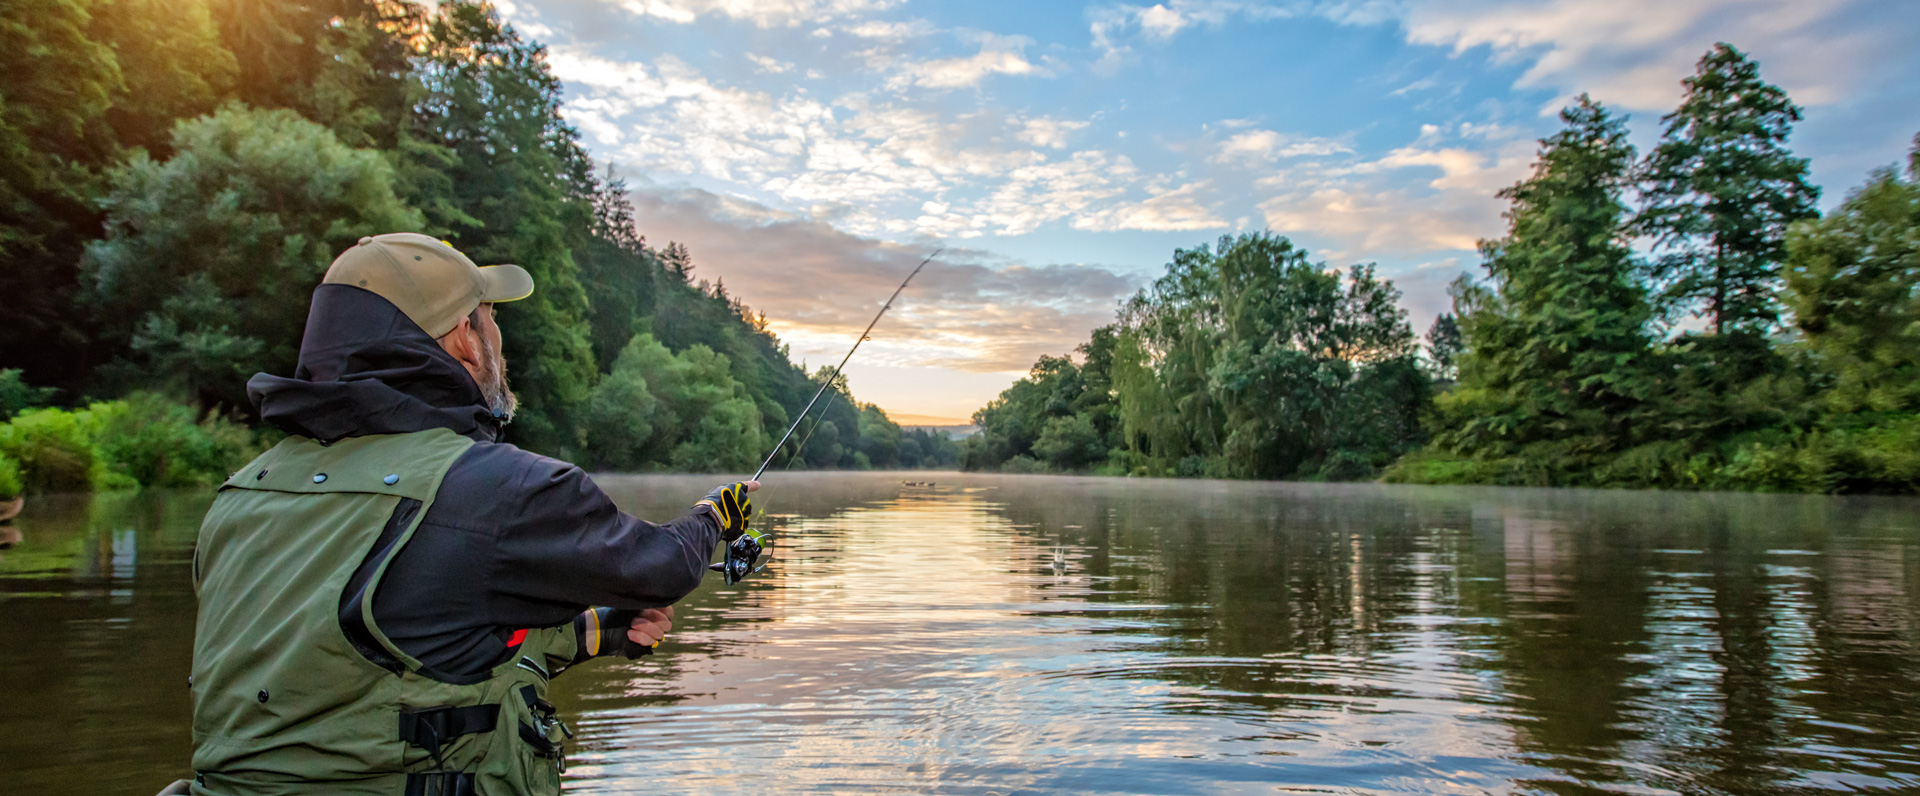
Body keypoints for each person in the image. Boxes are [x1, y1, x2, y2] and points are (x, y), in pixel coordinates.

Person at [175, 233, 757, 796]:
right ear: (464, 339)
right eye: (491, 318)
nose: (498, 338)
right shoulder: (503, 487)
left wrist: (595, 633)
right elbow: (661, 568)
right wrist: (711, 517)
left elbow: (382, 647)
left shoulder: (243, 494)